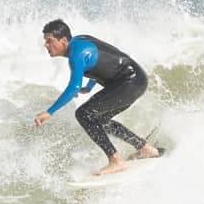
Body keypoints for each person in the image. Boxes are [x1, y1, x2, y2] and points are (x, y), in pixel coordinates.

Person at [34, 19, 161, 175]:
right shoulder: (80, 41)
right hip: (136, 80)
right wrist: (89, 86)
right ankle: (146, 149)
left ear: (64, 40)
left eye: (49, 41)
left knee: (83, 114)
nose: (45, 45)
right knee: (99, 120)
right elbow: (105, 59)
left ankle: (116, 160)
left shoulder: (76, 55)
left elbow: (74, 86)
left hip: (131, 82)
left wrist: (49, 112)